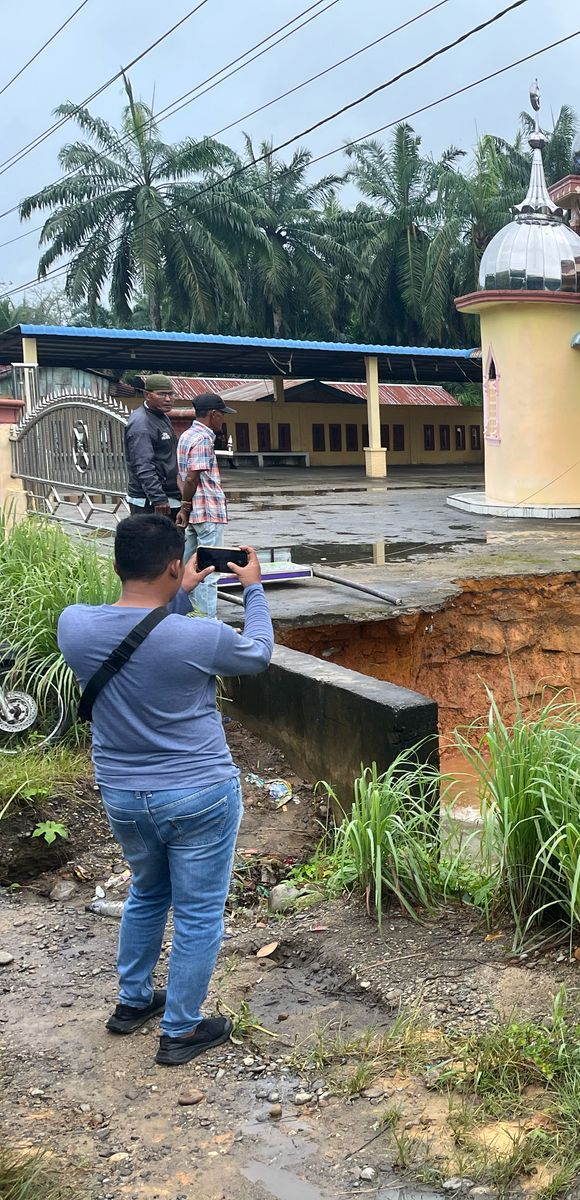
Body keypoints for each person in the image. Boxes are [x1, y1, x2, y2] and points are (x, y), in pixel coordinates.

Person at [57, 515, 274, 1066]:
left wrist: (177, 591)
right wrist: (252, 590)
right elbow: (259, 653)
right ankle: (180, 1029)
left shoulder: (74, 626)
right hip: (199, 792)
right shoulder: (199, 635)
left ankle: (133, 1004)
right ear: (176, 565)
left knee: (148, 894)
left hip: (124, 795)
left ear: (116, 565)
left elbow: (142, 634)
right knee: (199, 913)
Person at [176, 393, 237, 620]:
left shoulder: (185, 436)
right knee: (209, 571)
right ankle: (207, 624)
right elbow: (193, 477)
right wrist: (185, 506)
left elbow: (179, 476)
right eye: (222, 416)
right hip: (207, 512)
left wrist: (185, 509)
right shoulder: (203, 439)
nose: (222, 421)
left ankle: (187, 618)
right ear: (214, 414)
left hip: (193, 513)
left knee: (188, 568)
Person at [124, 374, 181, 517]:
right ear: (147, 395)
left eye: (170, 394)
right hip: (150, 502)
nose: (168, 399)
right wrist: (158, 498)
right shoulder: (141, 424)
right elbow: (143, 465)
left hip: (167, 495)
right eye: (161, 394)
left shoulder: (161, 416)